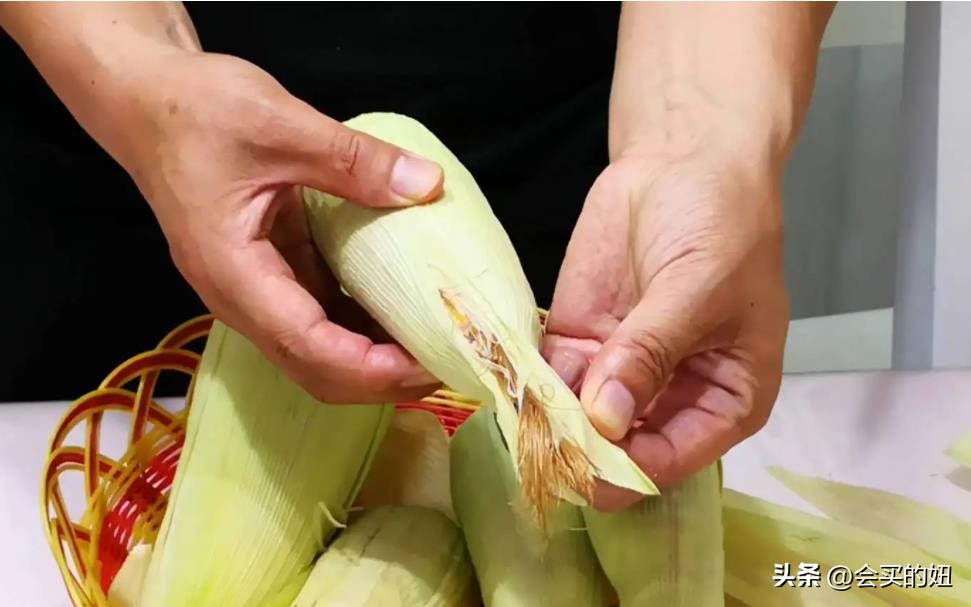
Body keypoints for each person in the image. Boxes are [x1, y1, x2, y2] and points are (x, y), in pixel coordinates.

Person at [0, 2, 834, 510]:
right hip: (118, 152)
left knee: (574, 456)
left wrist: (696, 145)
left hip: (567, 206)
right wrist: (146, 81)